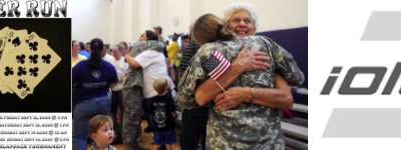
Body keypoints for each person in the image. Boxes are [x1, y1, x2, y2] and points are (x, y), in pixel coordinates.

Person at [178, 11, 304, 149]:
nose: (242, 24)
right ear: (225, 25)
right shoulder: (266, 45)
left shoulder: (209, 52)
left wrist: (244, 91)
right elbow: (297, 77)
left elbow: (186, 99)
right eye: (236, 20)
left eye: (247, 21)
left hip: (224, 143)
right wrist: (271, 71)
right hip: (267, 142)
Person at [121, 30, 165, 150]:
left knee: (133, 116)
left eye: (142, 35)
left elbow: (133, 63)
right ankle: (130, 144)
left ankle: (132, 143)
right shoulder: (144, 46)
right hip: (133, 85)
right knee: (132, 116)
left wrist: (126, 55)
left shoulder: (145, 46)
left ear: (149, 39)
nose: (139, 37)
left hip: (135, 85)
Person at [73, 38, 118, 150]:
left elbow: (72, 83)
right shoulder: (109, 66)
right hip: (103, 102)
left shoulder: (80, 66)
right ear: (103, 49)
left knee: (79, 136)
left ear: (89, 48)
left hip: (83, 103)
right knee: (101, 133)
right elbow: (114, 83)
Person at [147, 79, 177, 150]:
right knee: (168, 144)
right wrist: (175, 116)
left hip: (157, 126)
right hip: (168, 126)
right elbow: (173, 113)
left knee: (157, 143)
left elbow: (151, 112)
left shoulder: (152, 99)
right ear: (166, 87)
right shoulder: (169, 98)